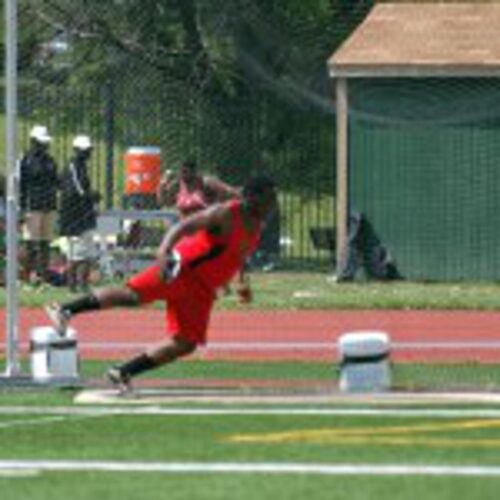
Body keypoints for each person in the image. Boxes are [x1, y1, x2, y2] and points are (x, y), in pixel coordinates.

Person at [45, 175, 277, 391]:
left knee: (186, 342)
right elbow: (183, 226)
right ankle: (65, 309)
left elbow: (239, 254)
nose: (273, 204)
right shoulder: (226, 213)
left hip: (203, 288)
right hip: (183, 269)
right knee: (132, 296)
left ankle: (122, 372)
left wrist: (243, 283)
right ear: (253, 197)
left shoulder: (257, 225)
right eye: (269, 198)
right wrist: (164, 250)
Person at [58, 135, 100, 292]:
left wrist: (91, 199)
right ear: (77, 150)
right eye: (85, 150)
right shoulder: (73, 166)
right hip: (74, 217)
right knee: (77, 254)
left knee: (85, 252)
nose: (88, 153)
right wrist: (92, 195)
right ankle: (74, 285)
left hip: (83, 215)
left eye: (89, 150)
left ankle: (82, 285)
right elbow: (79, 190)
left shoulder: (81, 166)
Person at [19, 125, 60, 284]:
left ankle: (43, 277)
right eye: (41, 142)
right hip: (32, 206)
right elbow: (21, 184)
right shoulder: (25, 160)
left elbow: (56, 181)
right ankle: (26, 277)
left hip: (49, 205)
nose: (45, 145)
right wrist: (22, 208)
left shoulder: (50, 160)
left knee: (45, 243)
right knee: (30, 243)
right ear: (33, 141)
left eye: (45, 143)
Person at [156, 159, 241, 219]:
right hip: (187, 230)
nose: (182, 175)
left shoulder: (205, 182)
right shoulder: (178, 186)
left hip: (206, 227)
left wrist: (216, 205)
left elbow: (229, 191)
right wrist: (162, 185)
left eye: (185, 172)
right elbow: (164, 202)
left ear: (194, 172)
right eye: (181, 172)